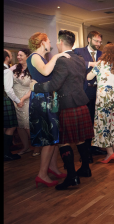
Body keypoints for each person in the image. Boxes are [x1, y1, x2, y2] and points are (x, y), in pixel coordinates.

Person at [31, 30, 94, 190]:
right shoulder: (79, 58)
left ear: (60, 42)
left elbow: (54, 85)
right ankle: (85, 168)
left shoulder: (62, 60)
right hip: (81, 102)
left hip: (67, 104)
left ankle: (72, 177)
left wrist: (35, 86)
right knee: (80, 138)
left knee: (64, 142)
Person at [26, 32, 71, 187]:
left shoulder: (41, 57)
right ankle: (42, 174)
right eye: (48, 40)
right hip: (41, 100)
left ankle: (53, 168)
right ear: (42, 42)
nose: (51, 42)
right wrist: (57, 57)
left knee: (53, 137)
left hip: (47, 99)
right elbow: (45, 72)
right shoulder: (35, 56)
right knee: (48, 138)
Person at [87, 43, 114, 163]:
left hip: (103, 98)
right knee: (113, 124)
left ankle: (110, 153)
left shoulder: (100, 64)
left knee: (103, 125)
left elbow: (89, 77)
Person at [74, 31, 107, 161]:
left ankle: (94, 147)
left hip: (98, 91)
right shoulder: (78, 51)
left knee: (96, 121)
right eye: (96, 41)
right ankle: (86, 151)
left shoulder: (101, 54)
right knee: (85, 121)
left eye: (100, 42)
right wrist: (91, 64)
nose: (98, 44)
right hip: (85, 91)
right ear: (89, 39)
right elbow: (75, 64)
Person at [10, 48, 40, 156]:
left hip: (27, 99)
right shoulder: (14, 68)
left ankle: (37, 147)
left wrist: (22, 99)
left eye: (21, 55)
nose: (18, 57)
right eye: (18, 55)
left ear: (27, 56)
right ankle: (26, 147)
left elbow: (33, 87)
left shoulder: (33, 69)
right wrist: (16, 99)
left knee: (28, 125)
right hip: (15, 100)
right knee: (20, 126)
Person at [4, 49, 22, 161]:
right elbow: (8, 90)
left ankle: (5, 152)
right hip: (5, 99)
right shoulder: (7, 71)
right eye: (10, 55)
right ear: (7, 58)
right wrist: (17, 100)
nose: (12, 56)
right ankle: (6, 153)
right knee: (11, 127)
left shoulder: (7, 70)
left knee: (5, 127)